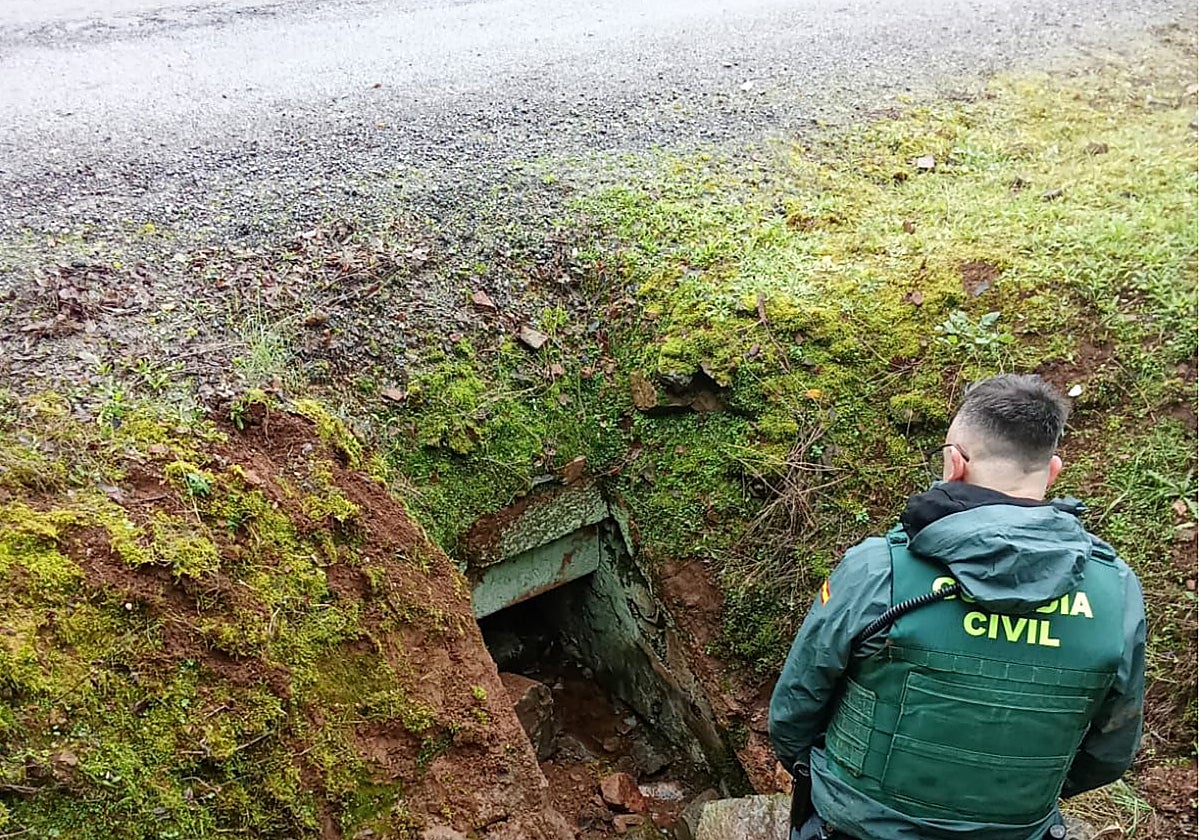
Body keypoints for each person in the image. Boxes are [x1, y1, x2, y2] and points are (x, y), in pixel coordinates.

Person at [769, 374, 1146, 840]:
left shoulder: (878, 570)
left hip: (859, 827)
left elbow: (795, 709)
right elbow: (1111, 749)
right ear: (1052, 473)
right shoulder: (1116, 592)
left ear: (954, 463)